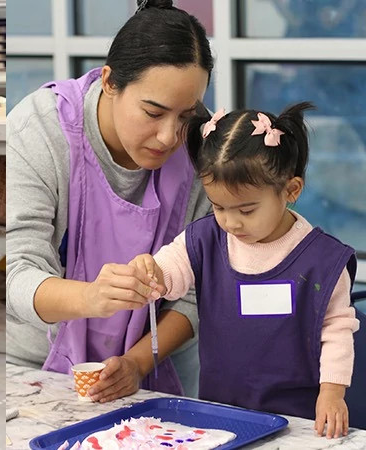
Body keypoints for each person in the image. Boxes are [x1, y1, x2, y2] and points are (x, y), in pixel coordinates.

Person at [5, 0, 214, 401]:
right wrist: (89, 297)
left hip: (159, 365)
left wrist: (136, 363)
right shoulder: (40, 129)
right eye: (154, 112)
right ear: (109, 82)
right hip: (38, 365)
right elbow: (19, 270)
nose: (170, 136)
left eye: (186, 115)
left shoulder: (202, 144)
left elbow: (195, 292)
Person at [131, 103, 357, 438]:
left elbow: (337, 330)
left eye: (247, 210)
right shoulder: (206, 238)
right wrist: (151, 272)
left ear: (291, 191)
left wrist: (332, 393)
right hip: (220, 415)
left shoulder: (323, 261)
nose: (231, 222)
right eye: (219, 207)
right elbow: (171, 269)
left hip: (300, 422)